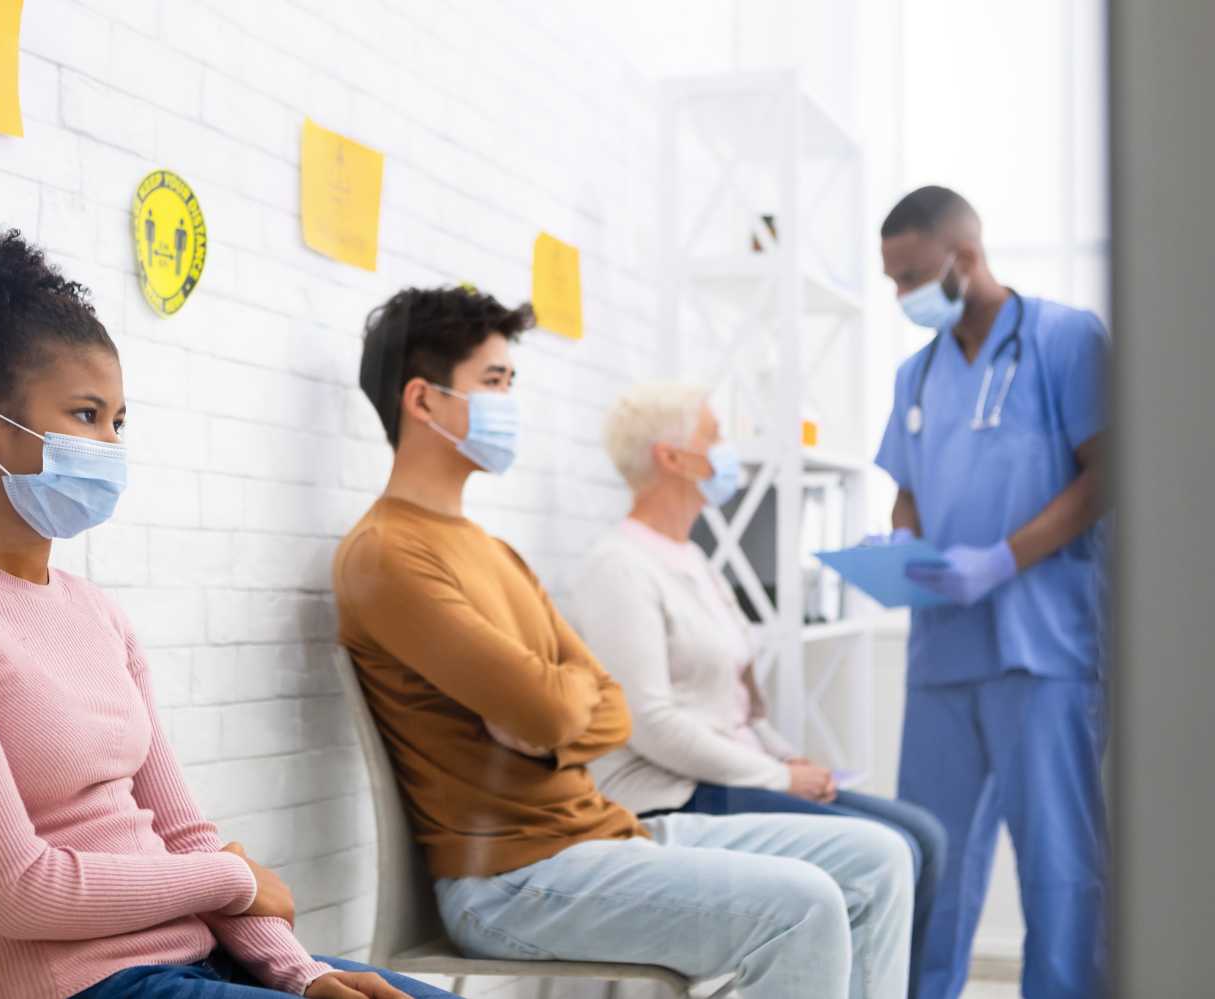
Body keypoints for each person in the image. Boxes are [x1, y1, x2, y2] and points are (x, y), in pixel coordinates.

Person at [0, 216, 460, 999]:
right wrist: (230, 881)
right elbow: (19, 890)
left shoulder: (96, 614)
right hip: (80, 985)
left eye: (117, 421)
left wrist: (302, 973)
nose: (107, 443)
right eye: (83, 415)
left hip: (200, 957)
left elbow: (182, 834)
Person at [331, 286, 915, 999]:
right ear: (423, 401)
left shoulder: (493, 551)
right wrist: (554, 707)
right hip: (513, 879)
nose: (509, 401)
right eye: (492, 381)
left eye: (511, 382)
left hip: (603, 837)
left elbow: (608, 710)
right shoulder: (386, 553)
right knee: (804, 907)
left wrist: (550, 709)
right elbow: (555, 710)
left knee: (881, 857)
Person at [564, 382, 947, 999]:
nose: (728, 452)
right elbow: (650, 722)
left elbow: (737, 701)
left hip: (737, 771)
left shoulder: (694, 559)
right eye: (715, 438)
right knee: (897, 848)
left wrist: (785, 757)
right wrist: (775, 779)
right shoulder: (618, 566)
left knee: (925, 834)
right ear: (671, 457)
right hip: (674, 792)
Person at [873, 187, 1110, 999]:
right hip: (942, 650)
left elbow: (1105, 471)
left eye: (908, 276)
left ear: (962, 257)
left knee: (1058, 865)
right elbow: (906, 488)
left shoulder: (1065, 339)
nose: (899, 295)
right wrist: (900, 542)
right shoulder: (915, 373)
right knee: (930, 859)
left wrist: (1003, 560)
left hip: (1045, 644)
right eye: (890, 280)